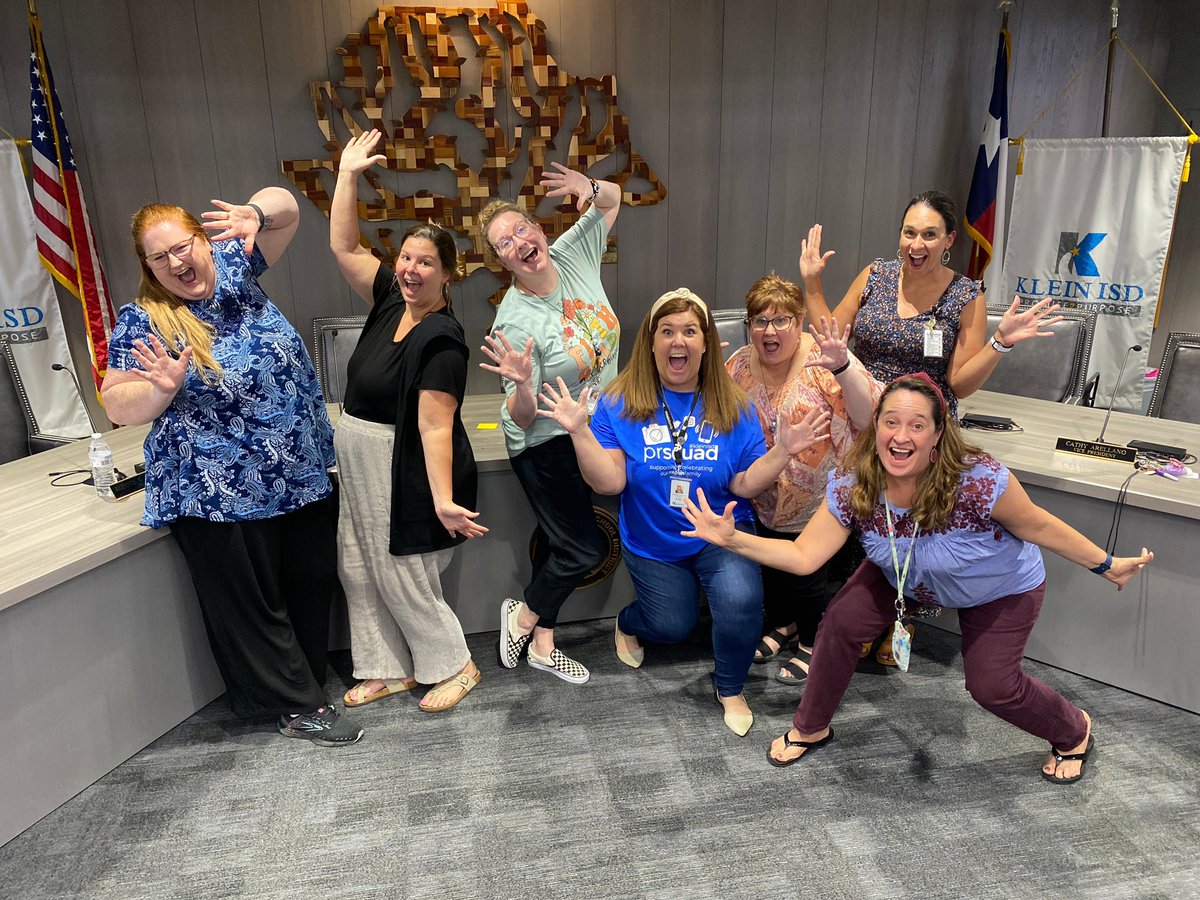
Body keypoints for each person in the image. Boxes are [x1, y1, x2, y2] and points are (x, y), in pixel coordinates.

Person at [682, 373, 1153, 781]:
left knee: (992, 687)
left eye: (916, 425)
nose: (900, 436)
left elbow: (1039, 525)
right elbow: (806, 555)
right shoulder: (855, 485)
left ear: (936, 435)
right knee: (840, 625)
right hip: (899, 576)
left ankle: (1074, 731)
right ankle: (811, 725)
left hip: (999, 588)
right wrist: (731, 540)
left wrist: (1106, 564)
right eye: (890, 421)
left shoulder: (977, 479)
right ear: (877, 428)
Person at [102, 188, 363, 746]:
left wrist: (257, 214)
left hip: (298, 468)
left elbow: (287, 208)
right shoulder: (144, 319)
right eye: (160, 257)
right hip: (217, 488)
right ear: (147, 267)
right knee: (254, 601)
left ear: (201, 239)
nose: (177, 262)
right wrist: (158, 390)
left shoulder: (234, 264)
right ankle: (297, 705)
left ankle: (305, 683)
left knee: (310, 581)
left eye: (182, 246)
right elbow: (116, 404)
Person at [538, 288, 831, 736]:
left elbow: (744, 483)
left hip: (721, 533)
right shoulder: (619, 403)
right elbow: (610, 482)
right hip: (654, 541)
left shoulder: (733, 403)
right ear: (652, 343)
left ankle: (730, 687)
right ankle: (627, 622)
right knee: (671, 625)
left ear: (706, 342)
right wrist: (580, 433)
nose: (679, 341)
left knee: (741, 602)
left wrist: (784, 451)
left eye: (691, 331)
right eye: (668, 331)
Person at [799, 192, 1062, 662]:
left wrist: (999, 344)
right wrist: (812, 283)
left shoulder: (966, 295)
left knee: (908, 526)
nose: (916, 244)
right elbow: (830, 338)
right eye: (909, 232)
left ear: (948, 241)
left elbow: (959, 384)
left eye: (928, 234)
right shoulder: (875, 276)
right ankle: (859, 617)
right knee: (864, 521)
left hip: (921, 433)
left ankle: (899, 617)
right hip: (864, 423)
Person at [329, 129, 485, 713]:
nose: (411, 269)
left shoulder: (442, 339)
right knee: (357, 566)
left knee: (402, 575)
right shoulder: (392, 299)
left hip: (406, 465)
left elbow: (435, 428)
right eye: (406, 258)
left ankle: (456, 664)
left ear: (448, 274)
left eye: (426, 262)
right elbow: (345, 247)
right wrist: (347, 177)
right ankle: (386, 666)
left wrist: (444, 500)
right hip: (360, 452)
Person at [476, 163, 622, 685]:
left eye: (522, 229)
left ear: (538, 230)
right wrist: (519, 386)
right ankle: (522, 617)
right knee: (584, 547)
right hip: (544, 441)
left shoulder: (572, 252)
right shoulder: (513, 322)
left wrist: (593, 188)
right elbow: (519, 416)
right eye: (504, 244)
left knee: (565, 541)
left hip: (595, 425)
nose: (519, 242)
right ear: (501, 263)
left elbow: (611, 201)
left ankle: (542, 644)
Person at [725, 274, 879, 686]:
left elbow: (867, 416)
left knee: (808, 578)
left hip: (819, 498)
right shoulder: (738, 364)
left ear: (798, 322)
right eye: (759, 321)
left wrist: (844, 367)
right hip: (763, 494)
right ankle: (784, 625)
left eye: (781, 321)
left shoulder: (821, 360)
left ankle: (813, 640)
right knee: (772, 568)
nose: (769, 331)